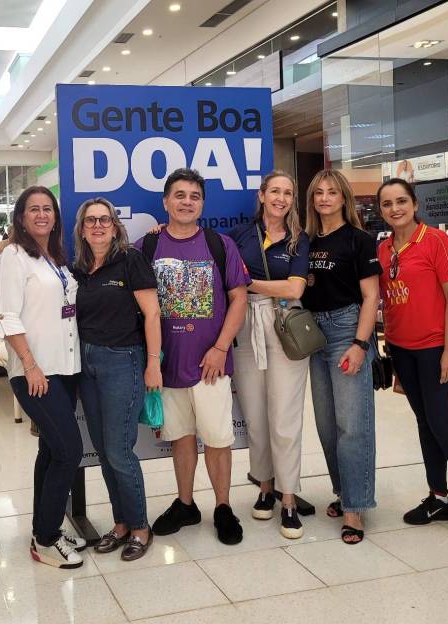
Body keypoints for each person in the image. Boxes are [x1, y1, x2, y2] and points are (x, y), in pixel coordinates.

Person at [137, 168, 249, 546]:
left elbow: (239, 299)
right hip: (167, 366)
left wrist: (220, 348)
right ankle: (185, 504)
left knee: (217, 439)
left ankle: (223, 507)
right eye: (180, 195)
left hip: (210, 366)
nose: (187, 202)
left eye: (195, 196)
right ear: (166, 202)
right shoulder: (147, 247)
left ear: (202, 204)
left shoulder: (220, 245)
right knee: (181, 438)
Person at [377, 178, 448, 537]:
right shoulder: (383, 249)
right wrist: (390, 351)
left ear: (414, 204)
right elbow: (389, 301)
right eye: (387, 204)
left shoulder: (436, 241)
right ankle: (438, 497)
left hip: (436, 348)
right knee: (425, 423)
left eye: (401, 201)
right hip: (402, 350)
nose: (395, 209)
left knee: (444, 423)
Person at [0, 186, 86, 569]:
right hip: (36, 372)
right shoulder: (13, 256)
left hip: (65, 368)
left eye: (48, 208)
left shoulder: (56, 258)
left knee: (50, 450)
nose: (42, 214)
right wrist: (30, 364)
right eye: (34, 209)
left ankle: (43, 529)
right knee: (69, 451)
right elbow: (8, 315)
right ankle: (46, 539)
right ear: (21, 216)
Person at [72, 197, 162, 561]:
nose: (98, 226)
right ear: (82, 229)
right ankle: (121, 523)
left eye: (104, 220)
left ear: (115, 226)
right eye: (90, 220)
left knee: (120, 451)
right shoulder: (78, 268)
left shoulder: (130, 260)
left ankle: (140, 526)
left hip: (122, 360)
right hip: (86, 364)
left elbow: (152, 314)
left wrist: (153, 364)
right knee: (103, 450)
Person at [228, 170, 310, 539]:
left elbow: (295, 289)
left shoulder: (298, 239)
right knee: (256, 415)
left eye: (288, 193)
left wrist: (249, 282)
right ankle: (264, 486)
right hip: (245, 326)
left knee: (284, 417)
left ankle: (288, 498)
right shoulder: (239, 235)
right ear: (261, 195)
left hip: (284, 326)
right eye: (274, 191)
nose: (281, 198)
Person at [303, 169, 381, 545]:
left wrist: (360, 344)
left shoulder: (359, 240)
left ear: (344, 198)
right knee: (327, 426)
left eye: (332, 192)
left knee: (353, 425)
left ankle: (355, 506)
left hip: (346, 331)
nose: (324, 198)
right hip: (313, 335)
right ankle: (343, 490)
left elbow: (371, 296)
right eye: (318, 192)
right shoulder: (305, 241)